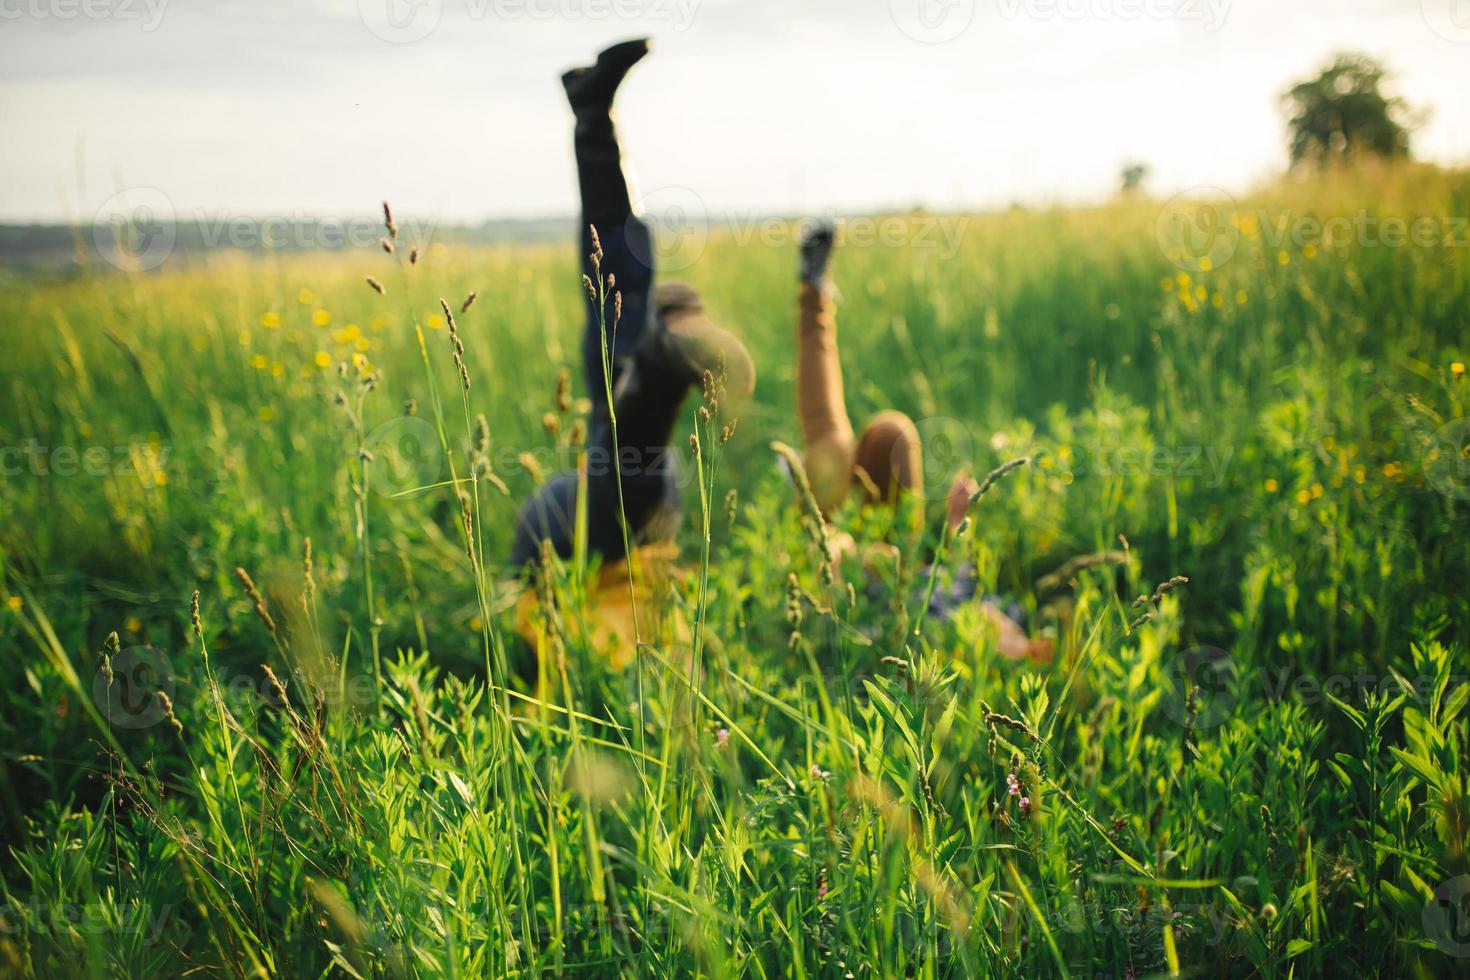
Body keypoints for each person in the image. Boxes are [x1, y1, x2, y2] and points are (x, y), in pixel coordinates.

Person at [510, 38, 754, 574]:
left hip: (573, 526)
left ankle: (593, 114)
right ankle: (593, 114)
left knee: (622, 322)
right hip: (578, 541)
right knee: (632, 450)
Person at [791, 221, 1053, 663]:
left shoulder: (934, 654)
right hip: (898, 560)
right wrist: (957, 525)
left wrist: (847, 556)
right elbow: (960, 582)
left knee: (831, 447)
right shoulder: (997, 616)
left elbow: (864, 637)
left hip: (848, 579)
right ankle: (820, 485)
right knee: (893, 435)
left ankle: (812, 294)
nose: (1006, 632)